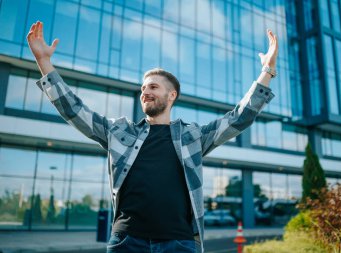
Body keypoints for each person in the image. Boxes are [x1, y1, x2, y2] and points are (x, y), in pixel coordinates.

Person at [27, 20, 278, 253]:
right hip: (126, 241)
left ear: (172, 96)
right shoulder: (119, 132)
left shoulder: (193, 137)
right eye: (143, 88)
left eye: (153, 87)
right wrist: (43, 62)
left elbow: (238, 118)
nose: (145, 92)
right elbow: (74, 109)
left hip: (179, 243)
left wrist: (266, 71)